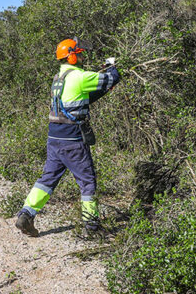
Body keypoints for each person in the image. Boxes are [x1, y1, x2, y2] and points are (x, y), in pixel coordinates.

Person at [15, 38, 119, 238]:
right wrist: (111, 65)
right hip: (73, 141)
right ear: (72, 56)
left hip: (54, 140)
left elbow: (83, 97)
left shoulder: (58, 78)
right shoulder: (79, 76)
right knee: (87, 182)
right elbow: (111, 78)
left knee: (47, 179)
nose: (81, 56)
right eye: (78, 53)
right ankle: (92, 227)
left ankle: (27, 213)